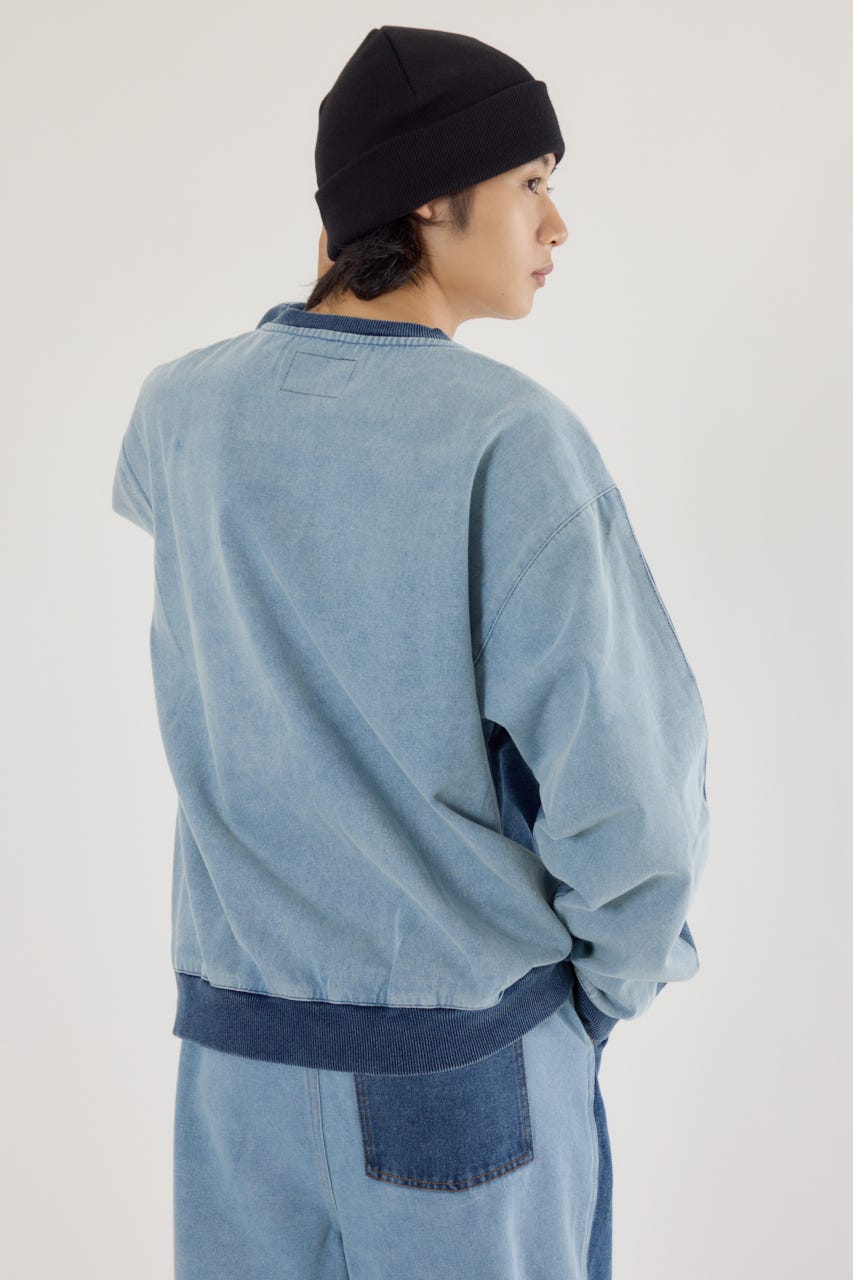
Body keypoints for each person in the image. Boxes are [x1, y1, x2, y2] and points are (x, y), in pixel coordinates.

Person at [111, 25, 710, 1280]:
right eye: (531, 182)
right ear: (432, 197)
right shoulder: (511, 442)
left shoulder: (179, 410)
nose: (557, 226)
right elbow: (633, 800)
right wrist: (600, 992)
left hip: (235, 1063)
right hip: (462, 1055)